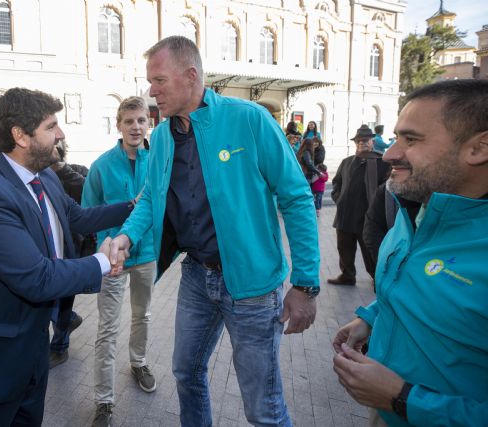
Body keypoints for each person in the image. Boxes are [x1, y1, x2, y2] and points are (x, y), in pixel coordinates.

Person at [107, 36, 320, 427]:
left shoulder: (250, 119)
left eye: (159, 81)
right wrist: (125, 236)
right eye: (149, 82)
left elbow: (296, 198)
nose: (151, 92)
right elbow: (151, 199)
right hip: (196, 278)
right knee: (186, 373)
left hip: (253, 287)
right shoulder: (165, 137)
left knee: (263, 408)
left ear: (191, 76)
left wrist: (305, 284)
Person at [0, 87, 133, 426]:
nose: (60, 134)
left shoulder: (43, 174)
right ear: (20, 135)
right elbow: (37, 278)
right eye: (51, 126)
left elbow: (75, 217)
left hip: (28, 355)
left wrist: (134, 208)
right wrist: (104, 262)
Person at [332, 79, 488, 427]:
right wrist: (371, 318)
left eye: (412, 139)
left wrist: (403, 398)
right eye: (397, 136)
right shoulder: (414, 210)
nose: (389, 153)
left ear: (479, 148)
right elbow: (417, 286)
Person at [83, 96, 157, 427]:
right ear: (119, 125)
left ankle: (138, 362)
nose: (136, 127)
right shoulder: (100, 166)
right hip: (112, 259)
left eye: (141, 120)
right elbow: (89, 214)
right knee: (108, 328)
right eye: (129, 121)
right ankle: (104, 401)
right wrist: (105, 249)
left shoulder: (157, 161)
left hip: (146, 256)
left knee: (143, 316)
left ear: (148, 123)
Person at [47, 139, 94, 368]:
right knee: (45, 297)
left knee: (64, 299)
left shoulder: (76, 171)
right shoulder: (36, 175)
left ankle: (59, 347)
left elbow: (87, 193)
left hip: (70, 248)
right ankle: (69, 321)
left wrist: (61, 169)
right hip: (44, 248)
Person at [328, 124, 390, 286]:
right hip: (345, 215)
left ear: (372, 142)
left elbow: (386, 188)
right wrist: (339, 198)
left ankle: (377, 278)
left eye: (366, 140)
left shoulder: (382, 163)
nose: (362, 143)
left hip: (368, 217)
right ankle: (347, 275)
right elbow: (337, 183)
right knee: (344, 249)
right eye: (359, 141)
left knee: (370, 251)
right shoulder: (347, 162)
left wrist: (377, 209)